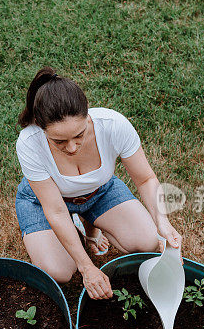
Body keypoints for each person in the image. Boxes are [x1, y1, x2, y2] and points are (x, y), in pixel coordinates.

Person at [15, 67, 182, 300]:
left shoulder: (113, 125)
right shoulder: (29, 143)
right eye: (59, 141)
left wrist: (162, 222)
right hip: (41, 202)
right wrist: (86, 267)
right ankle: (80, 229)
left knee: (147, 240)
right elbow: (55, 209)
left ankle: (89, 225)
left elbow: (145, 179)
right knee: (60, 271)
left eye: (80, 135)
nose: (72, 148)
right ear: (41, 128)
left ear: (87, 116)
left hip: (99, 192)